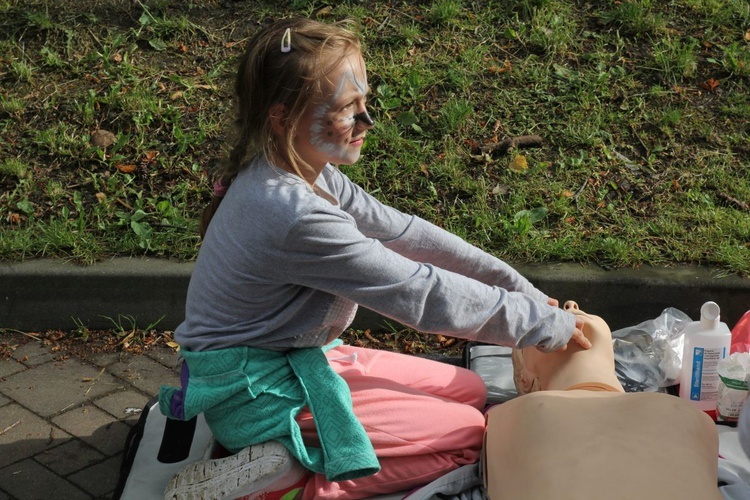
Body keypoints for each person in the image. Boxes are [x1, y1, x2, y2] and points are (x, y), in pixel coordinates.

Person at [159, 17, 589, 500]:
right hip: (253, 395)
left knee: (470, 390)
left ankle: (292, 450)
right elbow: (419, 294)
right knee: (469, 435)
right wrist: (540, 327)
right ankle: (289, 479)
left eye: (366, 101)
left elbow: (408, 234)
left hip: (291, 361)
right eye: (348, 109)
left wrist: (523, 294)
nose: (368, 121)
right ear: (282, 119)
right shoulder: (291, 214)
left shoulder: (305, 167)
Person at [483, 301, 723, 500]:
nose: (570, 305)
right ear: (526, 380)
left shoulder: (509, 419)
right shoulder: (515, 416)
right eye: (534, 330)